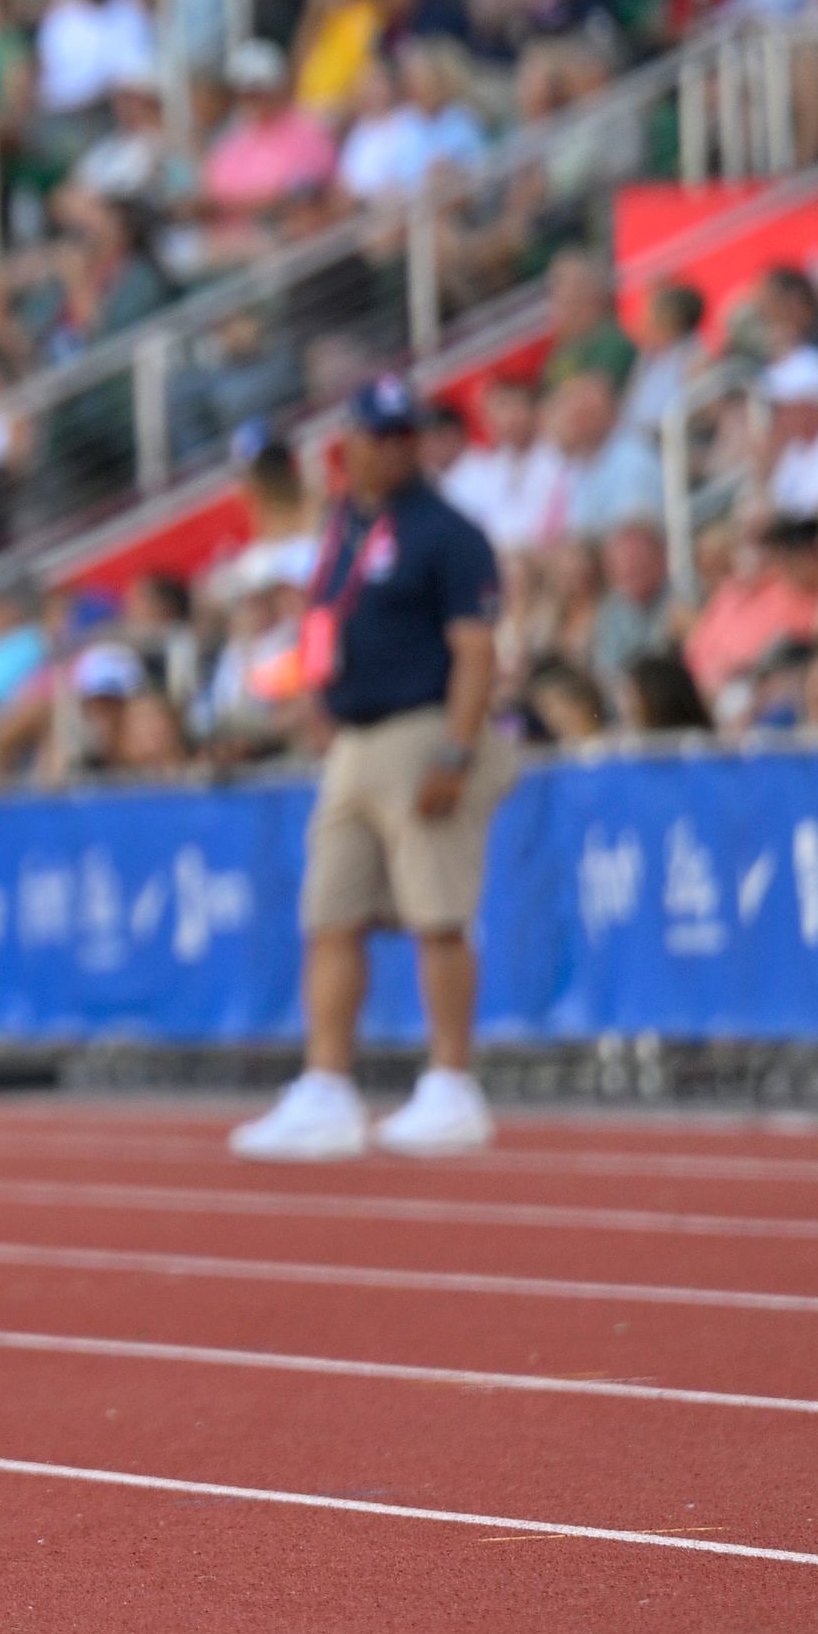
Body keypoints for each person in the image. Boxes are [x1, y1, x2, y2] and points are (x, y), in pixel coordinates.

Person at [232, 374, 512, 1163]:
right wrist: (319, 700)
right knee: (331, 913)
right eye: (377, 436)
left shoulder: (449, 531)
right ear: (349, 444)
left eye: (402, 436)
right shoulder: (347, 526)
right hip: (353, 740)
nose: (392, 449)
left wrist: (457, 748)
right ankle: (327, 1085)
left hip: (421, 728)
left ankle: (453, 1081)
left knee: (438, 912)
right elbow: (327, 618)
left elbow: (475, 649)